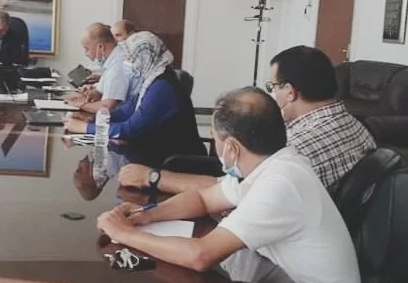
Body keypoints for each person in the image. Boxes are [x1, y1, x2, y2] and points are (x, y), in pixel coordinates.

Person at [97, 87, 365, 283]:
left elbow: (201, 256)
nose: (215, 146)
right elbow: (203, 198)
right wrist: (147, 216)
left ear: (233, 148)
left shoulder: (280, 184)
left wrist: (124, 234)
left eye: (215, 139)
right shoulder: (270, 164)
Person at [118, 45, 376, 194]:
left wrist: (152, 177)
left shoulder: (294, 148)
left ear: (290, 92)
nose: (272, 94)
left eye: (272, 87)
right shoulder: (356, 126)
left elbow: (233, 191)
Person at [64, 31, 205, 164]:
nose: (127, 62)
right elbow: (126, 111)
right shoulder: (151, 81)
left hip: (176, 163)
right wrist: (93, 119)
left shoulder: (162, 87)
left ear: (145, 58)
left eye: (132, 58)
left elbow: (129, 130)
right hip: (155, 152)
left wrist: (85, 128)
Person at [66, 23, 140, 114]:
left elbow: (107, 107)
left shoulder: (118, 66)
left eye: (87, 49)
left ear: (100, 47)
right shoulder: (114, 59)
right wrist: (93, 92)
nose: (86, 54)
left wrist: (78, 104)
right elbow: (100, 92)